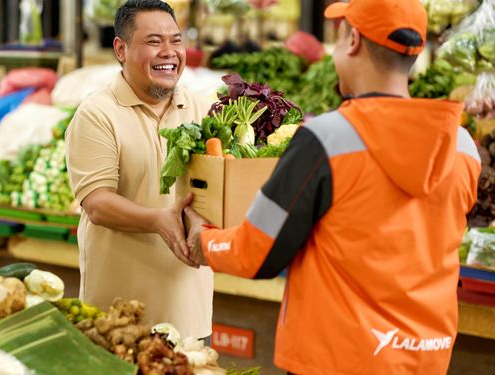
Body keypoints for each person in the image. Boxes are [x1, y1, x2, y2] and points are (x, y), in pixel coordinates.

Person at [183, 0, 481, 373]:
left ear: (352, 40)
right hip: (426, 358)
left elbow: (256, 251)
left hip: (334, 358)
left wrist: (203, 239)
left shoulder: (326, 139)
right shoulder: (462, 146)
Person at [65, 0, 213, 339]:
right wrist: (158, 220)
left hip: (190, 317)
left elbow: (218, 188)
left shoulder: (202, 109)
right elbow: (97, 204)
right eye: (154, 41)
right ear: (121, 48)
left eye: (176, 40)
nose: (169, 52)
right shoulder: (97, 114)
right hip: (117, 321)